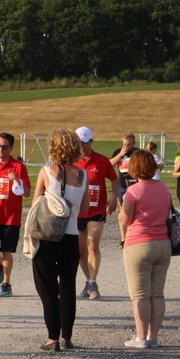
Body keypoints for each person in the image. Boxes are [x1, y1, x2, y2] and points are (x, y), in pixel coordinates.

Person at [28, 130, 87, 352]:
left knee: (47, 285)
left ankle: (52, 336)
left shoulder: (46, 172)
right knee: (68, 285)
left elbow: (35, 204)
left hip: (47, 234)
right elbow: (85, 209)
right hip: (71, 235)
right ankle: (67, 336)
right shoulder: (83, 175)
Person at [118, 150, 171, 348]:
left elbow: (125, 219)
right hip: (163, 243)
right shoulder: (164, 189)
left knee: (140, 294)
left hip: (139, 242)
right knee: (157, 293)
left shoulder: (133, 191)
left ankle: (140, 337)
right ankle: (153, 337)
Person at [0, 132, 31, 298]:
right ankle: (2, 265)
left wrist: (16, 180)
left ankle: (6, 284)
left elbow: (27, 192)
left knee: (7, 251)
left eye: (4, 147)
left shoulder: (19, 167)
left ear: (11, 147)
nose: (0, 149)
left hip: (11, 217)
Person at [74, 127, 119, 301]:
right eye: (79, 142)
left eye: (85, 142)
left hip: (96, 210)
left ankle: (92, 282)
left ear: (91, 141)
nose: (82, 146)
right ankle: (89, 280)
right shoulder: (71, 160)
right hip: (77, 212)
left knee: (93, 245)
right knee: (80, 250)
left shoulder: (101, 161)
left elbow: (114, 179)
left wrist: (114, 197)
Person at [108, 133, 138, 200]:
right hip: (122, 186)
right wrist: (120, 155)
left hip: (135, 185)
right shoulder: (118, 151)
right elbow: (109, 165)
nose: (126, 146)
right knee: (121, 208)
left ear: (134, 143)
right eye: (124, 144)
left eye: (129, 145)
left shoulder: (138, 152)